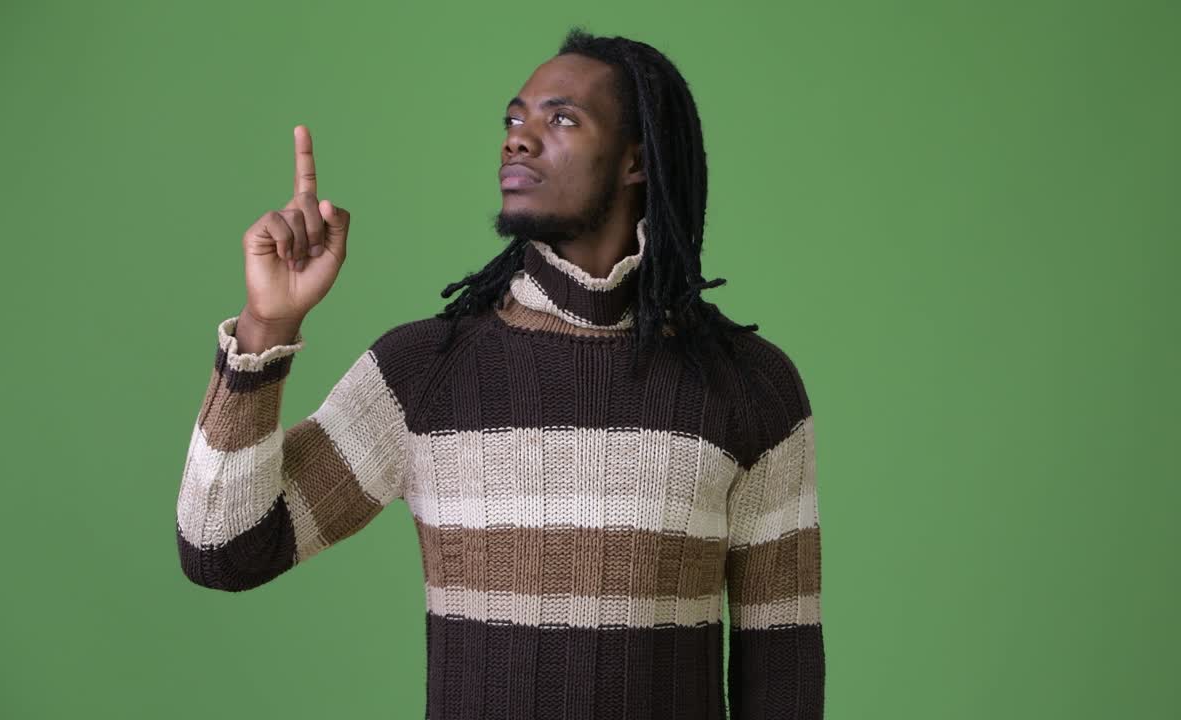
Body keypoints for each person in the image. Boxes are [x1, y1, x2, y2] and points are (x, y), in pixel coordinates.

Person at [175, 26, 824, 719]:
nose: (519, 140)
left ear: (636, 160)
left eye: (561, 119)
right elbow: (224, 550)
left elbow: (781, 672)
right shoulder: (424, 373)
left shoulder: (749, 387)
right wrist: (266, 324)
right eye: (514, 120)